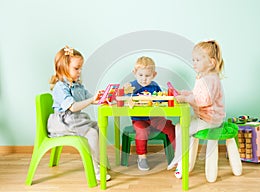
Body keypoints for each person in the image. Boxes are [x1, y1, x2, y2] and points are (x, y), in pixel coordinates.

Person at [167, 40, 242, 182]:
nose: (194, 63)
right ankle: (182, 161)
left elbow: (203, 101)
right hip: (205, 118)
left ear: (211, 63)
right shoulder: (204, 77)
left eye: (198, 60)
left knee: (182, 129)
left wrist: (186, 99)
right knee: (180, 127)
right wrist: (187, 93)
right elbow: (198, 95)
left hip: (211, 120)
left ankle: (180, 163)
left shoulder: (211, 80)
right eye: (193, 60)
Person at [47, 45, 111, 181]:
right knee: (92, 133)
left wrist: (102, 98)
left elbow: (90, 98)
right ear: (63, 68)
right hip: (63, 122)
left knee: (98, 127)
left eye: (81, 68)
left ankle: (100, 161)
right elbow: (73, 107)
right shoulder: (60, 87)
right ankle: (96, 170)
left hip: (74, 120)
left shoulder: (77, 85)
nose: (80, 71)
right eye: (76, 68)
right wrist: (92, 100)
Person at [123, 56, 176, 171]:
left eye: (147, 76)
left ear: (154, 75)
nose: (144, 79)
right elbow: (126, 100)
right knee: (142, 131)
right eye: (140, 75)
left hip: (155, 118)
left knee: (171, 127)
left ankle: (178, 154)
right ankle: (142, 157)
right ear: (135, 73)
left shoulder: (154, 86)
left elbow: (161, 99)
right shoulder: (132, 86)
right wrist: (126, 91)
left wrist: (164, 98)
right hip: (139, 119)